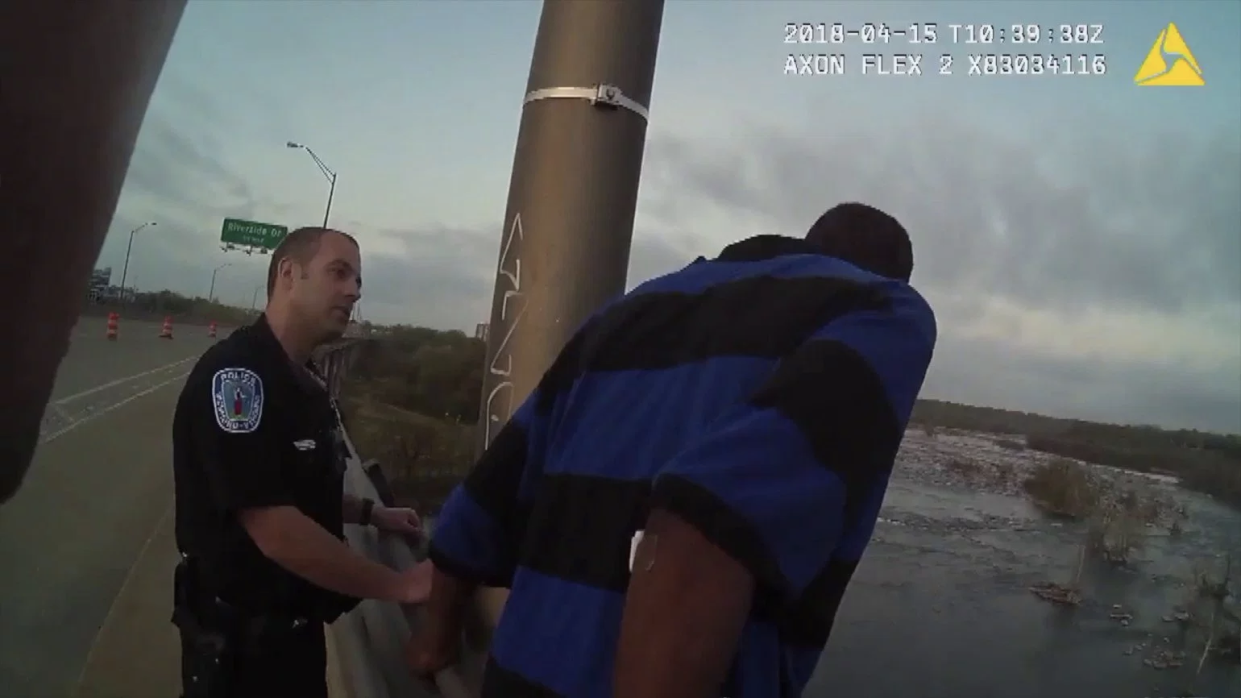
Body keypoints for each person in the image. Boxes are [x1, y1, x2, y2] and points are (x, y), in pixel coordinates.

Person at [407, 202, 937, 697]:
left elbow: (479, 506)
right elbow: (706, 524)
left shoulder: (629, 310)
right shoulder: (882, 308)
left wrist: (436, 641)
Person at [171, 226, 431, 698]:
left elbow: (295, 481)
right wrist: (400, 586)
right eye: (339, 273)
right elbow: (275, 529)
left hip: (293, 638)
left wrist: (371, 512)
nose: (355, 289)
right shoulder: (239, 378)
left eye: (357, 278)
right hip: (241, 654)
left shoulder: (302, 380)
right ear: (289, 274)